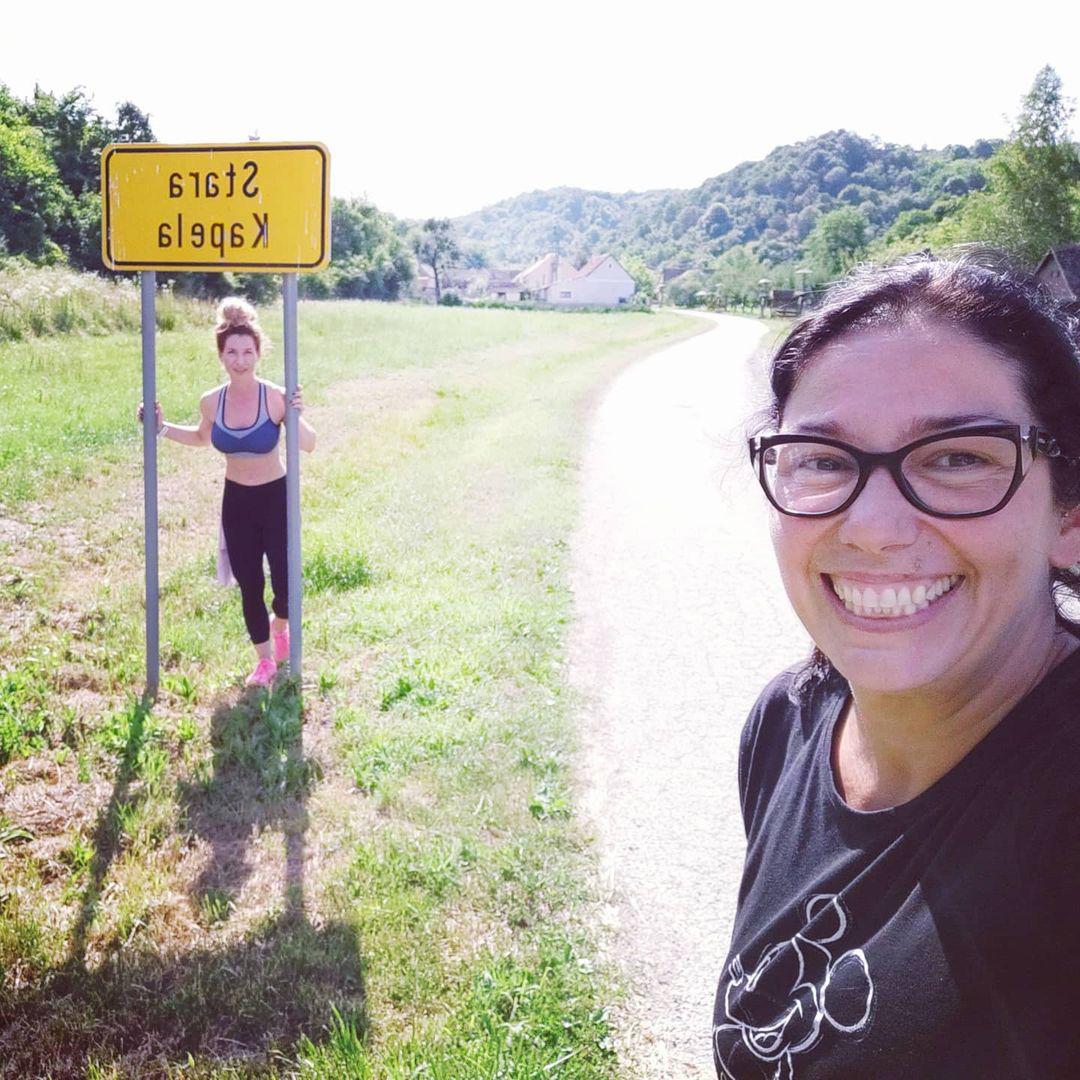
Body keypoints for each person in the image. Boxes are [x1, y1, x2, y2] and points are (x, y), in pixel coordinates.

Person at [714, 255, 1080, 1080]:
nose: (875, 528)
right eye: (822, 459)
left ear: (1069, 516)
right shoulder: (789, 722)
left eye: (958, 458)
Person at [138, 297, 316, 688]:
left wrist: (297, 413)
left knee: (286, 584)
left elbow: (309, 444)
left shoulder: (276, 396)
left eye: (247, 352)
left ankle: (280, 626)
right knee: (250, 584)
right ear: (221, 355)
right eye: (232, 352)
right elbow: (202, 437)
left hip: (276, 498)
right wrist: (161, 428)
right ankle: (265, 661)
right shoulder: (211, 401)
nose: (240, 360)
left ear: (259, 354)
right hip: (237, 502)